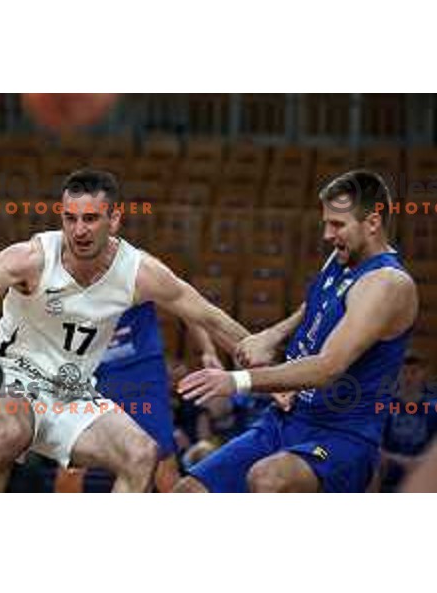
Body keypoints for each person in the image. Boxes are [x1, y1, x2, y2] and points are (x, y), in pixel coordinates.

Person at [0, 168, 250, 493]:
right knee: (13, 434)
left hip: (73, 392)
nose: (79, 230)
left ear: (113, 220)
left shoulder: (139, 272)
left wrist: (264, 370)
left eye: (90, 218)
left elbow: (208, 315)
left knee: (142, 453)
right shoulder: (32, 258)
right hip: (11, 380)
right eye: (70, 218)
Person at [175, 169, 418, 493]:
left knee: (268, 478)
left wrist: (237, 381)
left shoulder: (387, 284)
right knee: (187, 492)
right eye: (325, 223)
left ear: (373, 222)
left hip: (341, 437)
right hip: (285, 420)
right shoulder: (341, 257)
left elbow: (328, 367)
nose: (327, 235)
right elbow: (314, 307)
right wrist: (272, 335)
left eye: (337, 225)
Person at [55, 302, 221, 492]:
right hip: (87, 368)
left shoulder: (142, 274)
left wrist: (208, 349)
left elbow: (184, 302)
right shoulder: (60, 277)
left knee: (163, 466)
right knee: (71, 466)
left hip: (140, 371)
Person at [380, 351, 437, 491]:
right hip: (387, 479)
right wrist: (398, 460)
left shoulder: (433, 409)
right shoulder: (384, 406)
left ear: (423, 374)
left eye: (414, 372)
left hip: (422, 480)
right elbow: (376, 445)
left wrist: (419, 462)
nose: (408, 377)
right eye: (404, 372)